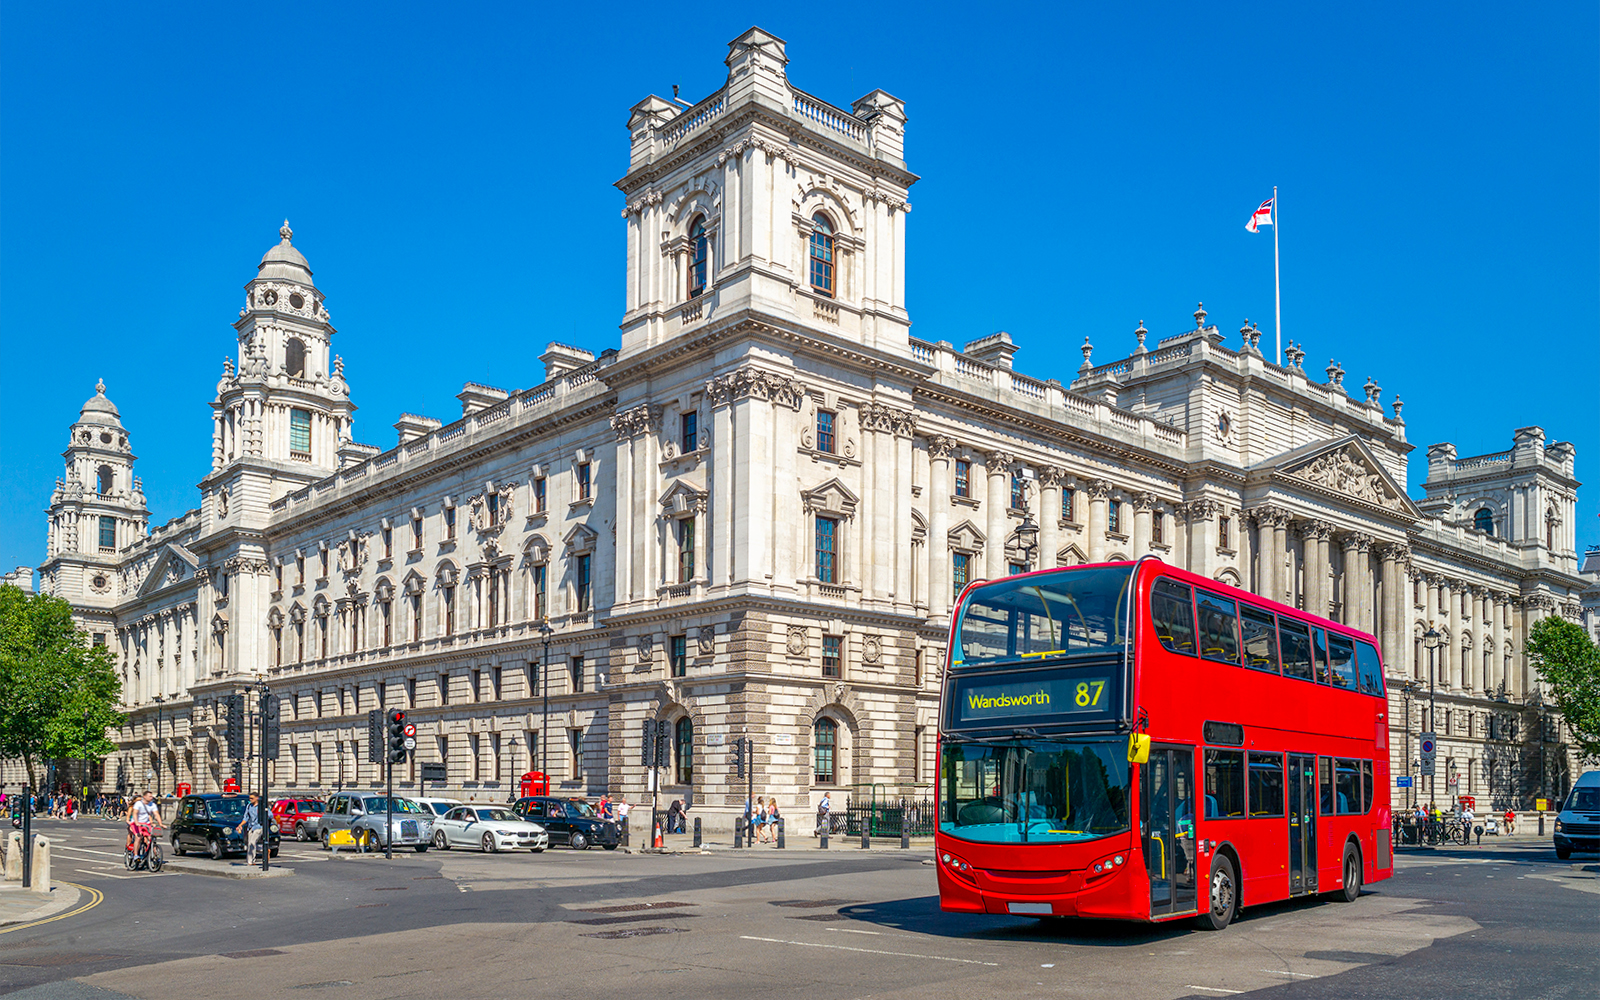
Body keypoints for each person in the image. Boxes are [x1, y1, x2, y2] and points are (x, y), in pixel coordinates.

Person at [126, 791, 162, 857]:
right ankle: (131, 849)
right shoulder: (133, 807)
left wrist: (154, 823)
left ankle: (153, 854)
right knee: (136, 835)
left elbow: (151, 816)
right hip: (135, 823)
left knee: (149, 838)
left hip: (145, 824)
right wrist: (132, 822)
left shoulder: (151, 805)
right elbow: (133, 815)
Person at [236, 792, 264, 864]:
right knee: (249, 844)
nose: (250, 800)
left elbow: (270, 815)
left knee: (252, 842)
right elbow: (246, 818)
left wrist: (263, 815)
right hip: (251, 827)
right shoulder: (249, 806)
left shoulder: (261, 806)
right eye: (250, 798)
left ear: (257, 798)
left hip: (259, 827)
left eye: (252, 798)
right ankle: (250, 861)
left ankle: (252, 860)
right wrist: (240, 825)